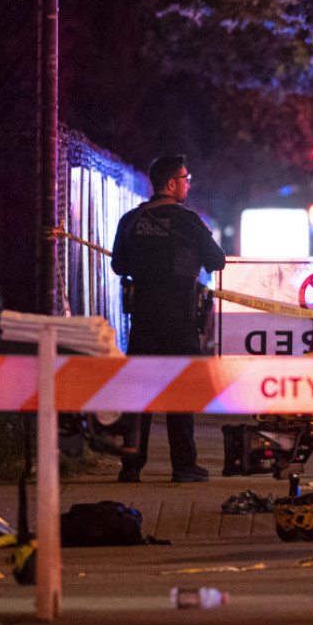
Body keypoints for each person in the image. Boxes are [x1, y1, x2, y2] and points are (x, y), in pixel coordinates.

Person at [111, 154, 226, 483]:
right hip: (180, 319)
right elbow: (217, 261)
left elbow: (119, 265)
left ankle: (131, 467)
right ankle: (184, 467)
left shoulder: (131, 220)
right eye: (186, 179)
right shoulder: (189, 221)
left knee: (139, 394)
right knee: (181, 390)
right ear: (172, 184)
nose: (188, 184)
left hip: (143, 319)